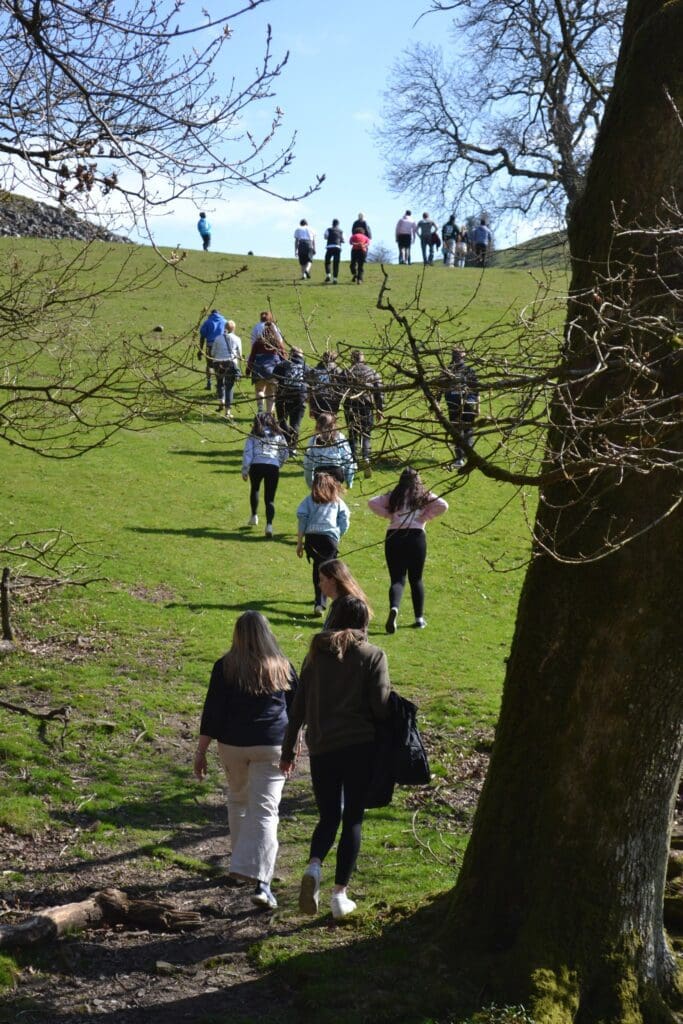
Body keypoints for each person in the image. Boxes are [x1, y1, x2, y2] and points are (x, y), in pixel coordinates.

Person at [279, 597, 392, 919]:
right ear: (363, 622)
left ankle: (314, 867)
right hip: (359, 746)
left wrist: (288, 751)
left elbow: (297, 707)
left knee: (329, 815)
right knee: (352, 817)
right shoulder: (373, 655)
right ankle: (339, 895)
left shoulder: (314, 657)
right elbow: (381, 707)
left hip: (322, 748)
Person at [194, 611, 298, 910]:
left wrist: (201, 751)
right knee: (266, 811)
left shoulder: (225, 666)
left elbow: (212, 712)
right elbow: (297, 709)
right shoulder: (283, 666)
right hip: (272, 744)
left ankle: (241, 869)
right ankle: (261, 882)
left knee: (239, 800)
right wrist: (294, 744)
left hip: (233, 745)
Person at [368, 468, 448, 632]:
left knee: (397, 579)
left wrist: (389, 516)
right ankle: (419, 618)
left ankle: (394, 608)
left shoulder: (394, 495)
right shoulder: (423, 495)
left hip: (394, 536)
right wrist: (424, 517)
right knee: (416, 579)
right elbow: (443, 505)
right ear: (418, 480)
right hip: (416, 537)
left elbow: (372, 502)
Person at [296, 472, 350, 616]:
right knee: (329, 570)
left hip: (312, 538)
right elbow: (345, 518)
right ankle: (332, 599)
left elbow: (302, 519)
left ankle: (320, 602)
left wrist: (300, 542)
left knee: (318, 569)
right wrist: (338, 534)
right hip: (329, 538)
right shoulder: (337, 501)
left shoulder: (308, 500)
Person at [241, 412, 289, 538]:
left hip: (257, 465)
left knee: (255, 489)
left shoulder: (254, 434)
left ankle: (254, 516)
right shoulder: (278, 434)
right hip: (273, 466)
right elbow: (285, 451)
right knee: (270, 498)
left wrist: (245, 470)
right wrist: (279, 463)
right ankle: (269, 525)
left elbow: (248, 452)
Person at [342, 350, 383, 477]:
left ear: (352, 359)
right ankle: (366, 458)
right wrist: (380, 409)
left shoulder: (346, 372)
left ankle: (353, 462)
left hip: (350, 405)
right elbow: (379, 391)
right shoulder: (372, 371)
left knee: (352, 434)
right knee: (366, 434)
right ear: (362, 358)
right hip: (366, 406)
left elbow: (338, 389)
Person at [443, 348, 480, 469]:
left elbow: (476, 388)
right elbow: (477, 389)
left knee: (462, 431)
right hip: (460, 403)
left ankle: (462, 458)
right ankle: (463, 457)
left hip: (461, 403)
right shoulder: (451, 371)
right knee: (464, 431)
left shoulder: (447, 370)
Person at [303, 412, 355, 489]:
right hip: (336, 472)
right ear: (333, 425)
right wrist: (349, 480)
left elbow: (308, 463)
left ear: (318, 426)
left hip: (320, 474)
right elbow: (348, 459)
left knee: (321, 499)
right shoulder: (340, 437)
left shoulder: (313, 439)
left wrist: (310, 483)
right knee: (335, 498)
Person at [273, 346, 309, 454]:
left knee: (282, 421)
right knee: (295, 423)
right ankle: (293, 447)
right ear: (301, 356)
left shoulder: (283, 365)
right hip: (299, 398)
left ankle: (285, 443)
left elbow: (274, 379)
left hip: (283, 397)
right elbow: (311, 381)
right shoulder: (305, 367)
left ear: (291, 354)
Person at [246, 321, 287, 414]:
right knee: (271, 393)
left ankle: (260, 409)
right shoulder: (277, 342)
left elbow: (252, 357)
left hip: (259, 369)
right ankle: (269, 412)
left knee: (260, 390)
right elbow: (283, 356)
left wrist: (248, 370)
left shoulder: (257, 342)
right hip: (273, 370)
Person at [318, 558, 373, 624]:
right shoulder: (338, 603)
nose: (319, 584)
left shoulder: (350, 606)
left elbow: (351, 633)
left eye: (322, 580)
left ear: (332, 581)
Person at [211, 319, 242, 419]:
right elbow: (239, 354)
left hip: (218, 362)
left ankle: (221, 401)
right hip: (230, 363)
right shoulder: (237, 339)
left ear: (225, 327)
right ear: (234, 328)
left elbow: (212, 353)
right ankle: (227, 411)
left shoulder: (217, 338)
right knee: (229, 387)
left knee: (220, 382)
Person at [308, 351, 343, 418]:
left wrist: (311, 405)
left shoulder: (314, 370)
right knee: (331, 421)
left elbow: (310, 387)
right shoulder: (338, 370)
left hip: (318, 399)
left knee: (319, 421)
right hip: (332, 399)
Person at [198, 308, 227, 391]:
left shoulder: (207, 322)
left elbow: (202, 337)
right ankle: (221, 383)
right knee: (221, 365)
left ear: (211, 314)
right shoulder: (225, 321)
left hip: (210, 346)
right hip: (222, 346)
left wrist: (200, 350)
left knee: (209, 365)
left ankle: (209, 383)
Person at [323, 219, 344, 284]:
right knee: (336, 263)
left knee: (327, 261)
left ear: (332, 223)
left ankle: (328, 275)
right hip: (337, 247)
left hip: (329, 247)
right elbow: (343, 240)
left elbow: (325, 237)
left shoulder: (328, 229)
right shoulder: (341, 231)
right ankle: (335, 279)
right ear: (338, 224)